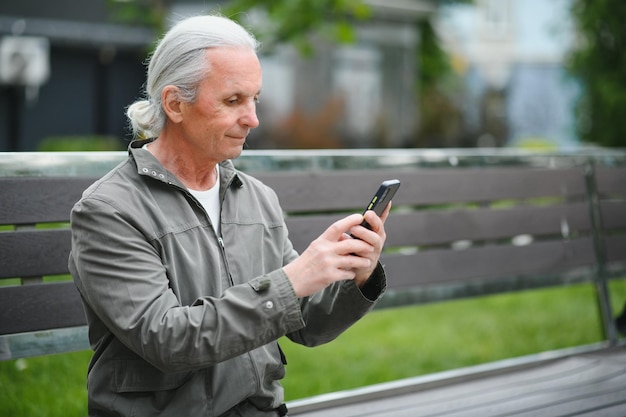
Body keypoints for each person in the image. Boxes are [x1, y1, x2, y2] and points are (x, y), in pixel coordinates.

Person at [69, 14, 389, 417]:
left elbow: (306, 324)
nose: (253, 118)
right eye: (233, 100)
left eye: (254, 98)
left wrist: (356, 274)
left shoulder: (256, 198)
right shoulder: (108, 211)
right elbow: (168, 340)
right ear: (174, 104)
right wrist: (291, 282)